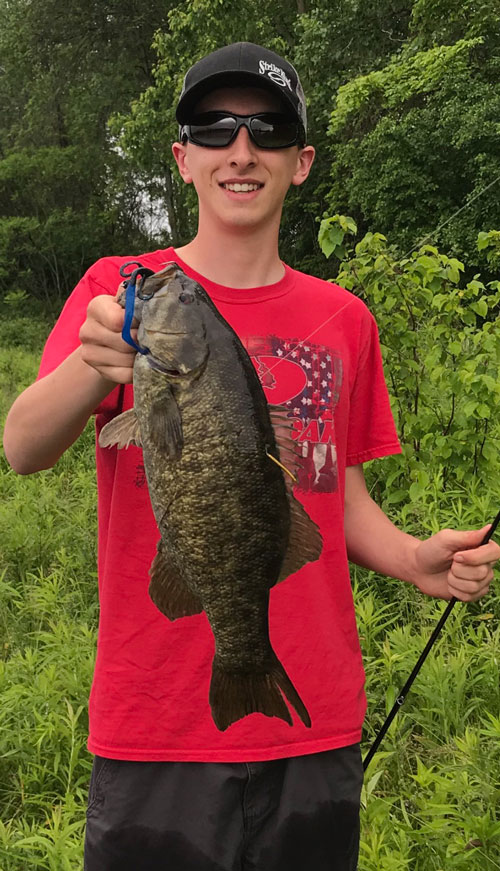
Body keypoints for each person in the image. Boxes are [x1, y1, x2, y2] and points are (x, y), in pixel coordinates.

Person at [3, 42, 499, 871]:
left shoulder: (345, 317)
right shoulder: (117, 293)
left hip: (313, 715)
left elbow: (335, 494)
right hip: (153, 721)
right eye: (215, 127)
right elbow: (22, 447)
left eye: (267, 130)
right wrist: (94, 365)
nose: (242, 148)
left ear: (300, 162)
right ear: (183, 157)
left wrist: (414, 557)